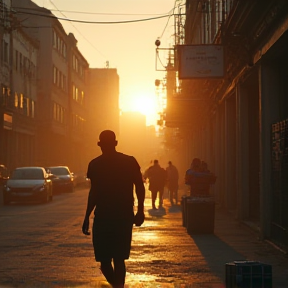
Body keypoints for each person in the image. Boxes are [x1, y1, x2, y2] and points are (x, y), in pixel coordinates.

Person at [82, 130, 145, 288]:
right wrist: (140, 210)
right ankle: (118, 286)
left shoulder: (98, 164)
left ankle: (118, 286)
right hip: (115, 216)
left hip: (112, 217)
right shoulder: (125, 162)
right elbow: (139, 186)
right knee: (113, 260)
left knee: (112, 260)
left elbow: (139, 185)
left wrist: (141, 211)